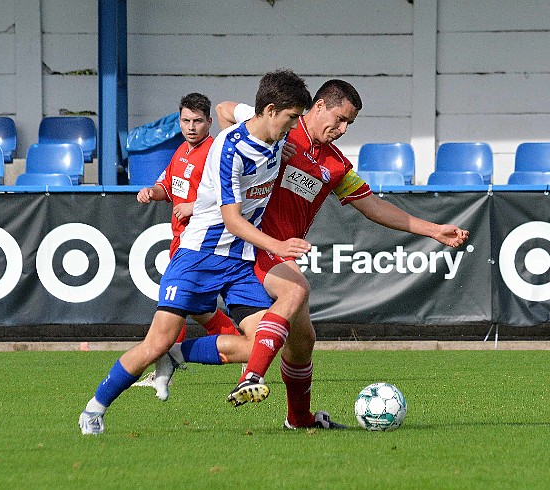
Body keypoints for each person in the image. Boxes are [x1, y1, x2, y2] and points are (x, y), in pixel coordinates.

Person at [153, 79, 469, 430]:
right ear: (318, 106)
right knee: (294, 290)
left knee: (303, 343)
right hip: (252, 246)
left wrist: (433, 230)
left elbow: (373, 206)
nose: (343, 128)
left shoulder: (335, 166)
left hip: (282, 252)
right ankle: (251, 376)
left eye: (350, 123)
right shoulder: (281, 130)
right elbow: (225, 110)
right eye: (340, 118)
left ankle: (296, 418)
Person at [79, 69, 313, 435]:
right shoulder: (230, 150)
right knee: (154, 343)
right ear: (270, 110)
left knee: (261, 343)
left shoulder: (267, 127)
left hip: (239, 262)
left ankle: (179, 354)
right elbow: (233, 221)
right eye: (292, 118)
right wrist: (278, 246)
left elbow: (224, 109)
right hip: (199, 257)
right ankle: (95, 408)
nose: (295, 126)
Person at [132, 93, 239, 388]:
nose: (190, 127)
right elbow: (167, 184)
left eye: (197, 121)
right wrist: (152, 192)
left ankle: (163, 364)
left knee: (173, 304)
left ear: (208, 122)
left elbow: (231, 193)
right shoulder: (181, 150)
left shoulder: (215, 151)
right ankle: (243, 343)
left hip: (201, 241)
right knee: (198, 309)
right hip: (180, 238)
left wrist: (195, 206)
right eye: (185, 120)